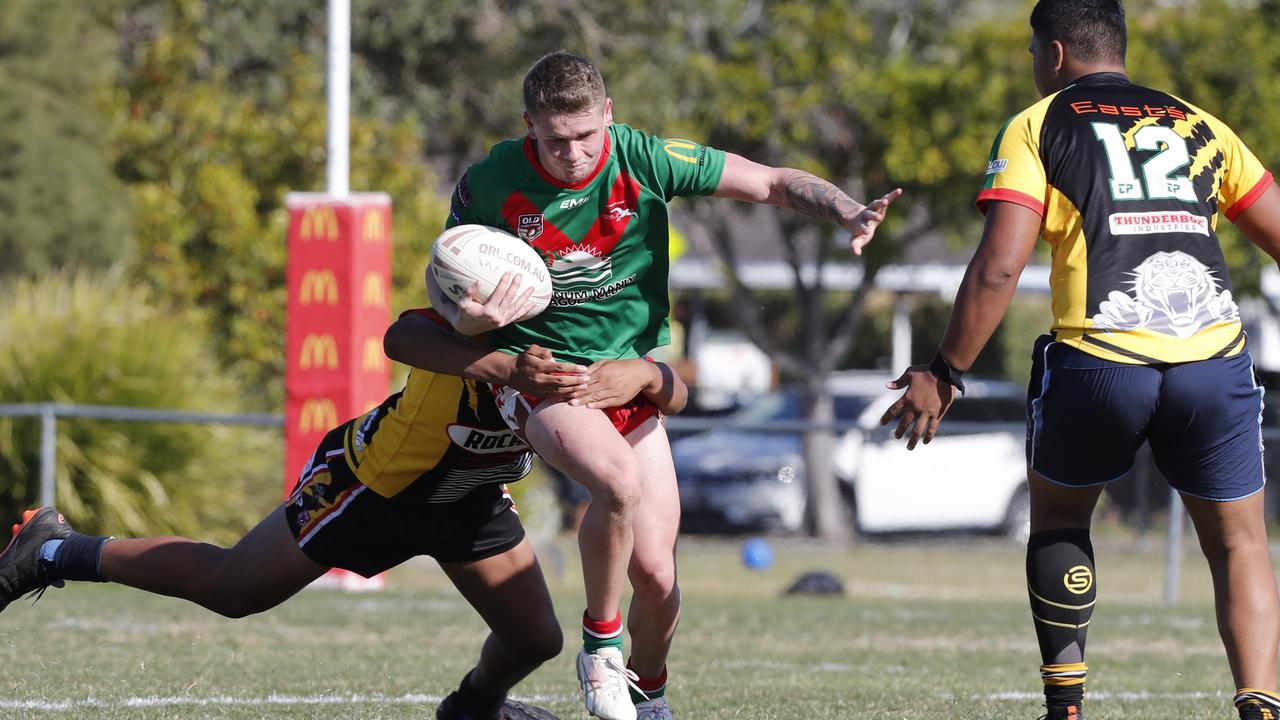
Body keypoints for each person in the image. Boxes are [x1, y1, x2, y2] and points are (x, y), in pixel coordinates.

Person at [416, 50, 901, 720]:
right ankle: (600, 650)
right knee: (614, 481)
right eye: (555, 141)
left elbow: (767, 183)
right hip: (546, 378)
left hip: (629, 382)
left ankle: (652, 702)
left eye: (587, 136)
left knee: (658, 576)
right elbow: (446, 283)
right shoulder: (489, 182)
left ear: (608, 116)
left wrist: (845, 209)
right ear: (529, 126)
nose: (574, 154)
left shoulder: (642, 158)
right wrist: (471, 317)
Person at [879, 1, 1280, 718]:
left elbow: (1000, 267)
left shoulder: (1039, 124)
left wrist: (943, 371)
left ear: (1055, 53)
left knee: (1061, 522)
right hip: (1212, 362)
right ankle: (1259, 707)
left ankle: (1065, 707)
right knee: (1240, 544)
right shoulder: (1202, 124)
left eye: (1034, 52)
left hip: (1102, 359)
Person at [0, 306, 687, 720]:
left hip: (468, 502)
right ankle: (55, 547)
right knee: (234, 589)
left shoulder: (585, 355)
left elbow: (674, 391)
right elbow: (402, 336)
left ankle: (471, 708)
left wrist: (649, 375)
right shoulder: (464, 341)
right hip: (374, 490)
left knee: (535, 639)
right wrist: (501, 360)